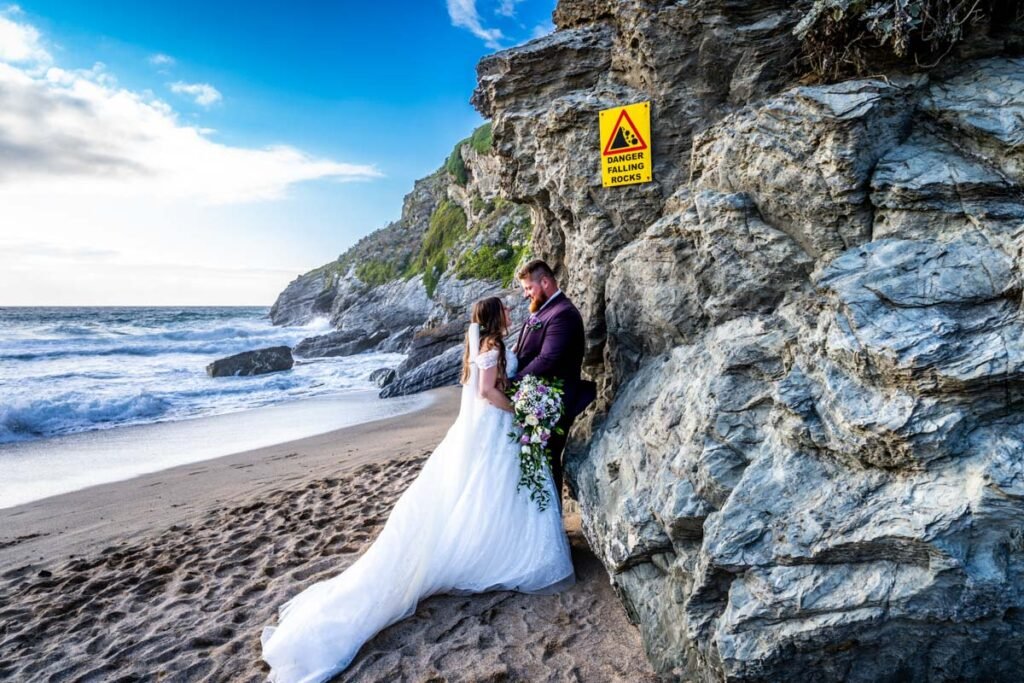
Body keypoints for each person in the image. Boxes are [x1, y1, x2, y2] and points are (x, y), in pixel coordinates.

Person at [260, 296, 575, 683]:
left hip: (488, 431)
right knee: (493, 490)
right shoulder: (491, 346)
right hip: (496, 425)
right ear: (496, 317)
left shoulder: (485, 344)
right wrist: (521, 413)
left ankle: (487, 544)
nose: (512, 313)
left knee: (490, 493)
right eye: (506, 311)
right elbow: (486, 393)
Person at [512, 259, 597, 505]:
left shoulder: (563, 313)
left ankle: (552, 516)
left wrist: (514, 383)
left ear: (545, 282)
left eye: (529, 288)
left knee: (548, 461)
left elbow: (548, 358)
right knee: (537, 461)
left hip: (554, 402)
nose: (526, 294)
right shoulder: (543, 310)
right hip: (536, 397)